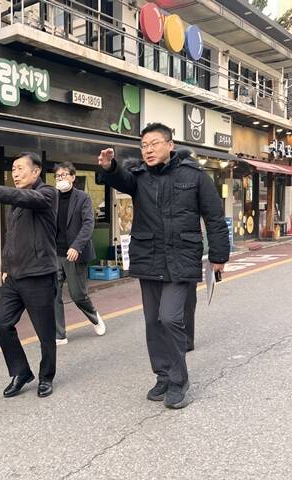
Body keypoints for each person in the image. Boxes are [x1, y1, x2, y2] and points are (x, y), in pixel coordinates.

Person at [97, 122, 229, 409]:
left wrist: (218, 256)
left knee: (169, 318)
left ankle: (179, 380)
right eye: (144, 145)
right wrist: (109, 167)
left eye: (154, 143)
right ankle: (163, 376)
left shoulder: (195, 175)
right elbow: (120, 179)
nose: (148, 149)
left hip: (182, 257)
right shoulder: (139, 175)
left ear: (170, 145)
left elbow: (214, 217)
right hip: (149, 257)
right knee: (152, 322)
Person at [0, 152, 58, 398]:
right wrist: (5, 266)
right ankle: (21, 371)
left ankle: (46, 376)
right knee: (2, 324)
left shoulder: (47, 194)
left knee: (45, 332)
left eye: (20, 168)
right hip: (14, 276)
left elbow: (28, 197)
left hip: (39, 274)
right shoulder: (17, 204)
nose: (15, 174)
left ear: (36, 171)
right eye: (13, 169)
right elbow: (12, 239)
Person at [53, 162, 106, 345]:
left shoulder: (82, 198)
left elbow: (88, 224)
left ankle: (94, 317)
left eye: (64, 175)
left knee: (78, 295)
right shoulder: (52, 198)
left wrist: (76, 246)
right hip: (54, 253)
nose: (61, 179)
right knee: (54, 293)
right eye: (58, 176)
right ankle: (59, 334)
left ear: (73, 177)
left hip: (73, 253)